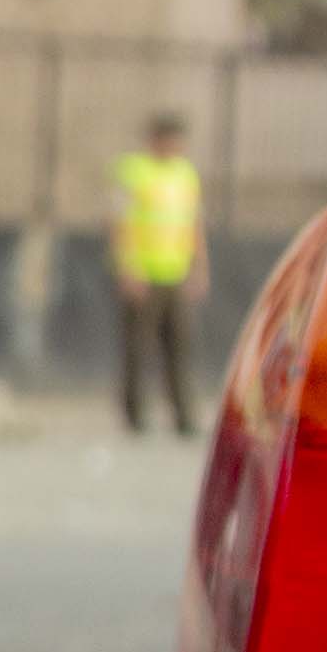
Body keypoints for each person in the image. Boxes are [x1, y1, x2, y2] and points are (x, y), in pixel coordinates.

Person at [112, 109, 210, 436]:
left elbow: (194, 225)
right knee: (138, 348)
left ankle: (184, 416)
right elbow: (120, 224)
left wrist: (199, 267)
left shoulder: (186, 176)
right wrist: (129, 268)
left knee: (180, 347)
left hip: (176, 274)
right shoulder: (135, 172)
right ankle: (135, 416)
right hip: (145, 275)